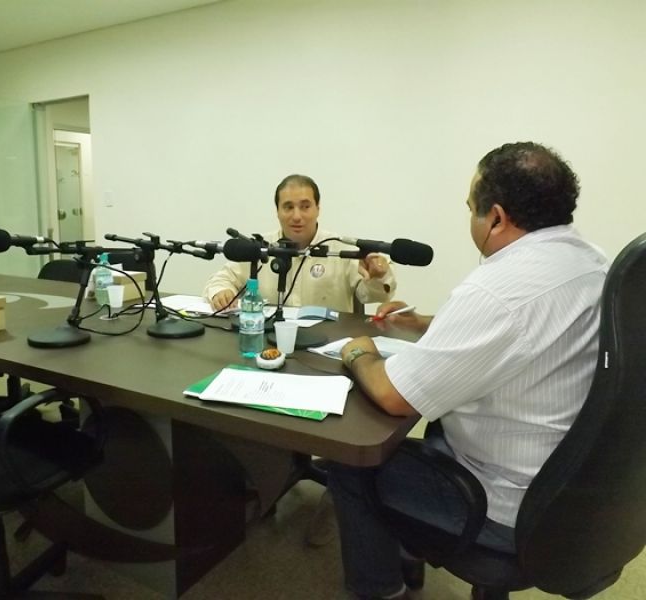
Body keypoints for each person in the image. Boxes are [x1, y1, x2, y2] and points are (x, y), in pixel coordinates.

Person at [329, 142, 608, 600]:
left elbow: (394, 396)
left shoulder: (497, 289)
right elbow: (526, 331)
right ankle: (409, 551)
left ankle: (381, 590)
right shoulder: (591, 262)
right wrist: (425, 323)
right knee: (426, 438)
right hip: (572, 491)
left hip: (503, 506)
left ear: (495, 217)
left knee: (351, 463)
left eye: (469, 207)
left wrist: (359, 351)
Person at [203, 174, 397, 313]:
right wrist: (222, 292)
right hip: (268, 343)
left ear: (318, 209)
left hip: (327, 345)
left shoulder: (342, 249)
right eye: (288, 207)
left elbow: (369, 295)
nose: (297, 216)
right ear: (277, 211)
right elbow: (220, 280)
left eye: (305, 207)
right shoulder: (259, 247)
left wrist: (377, 277)